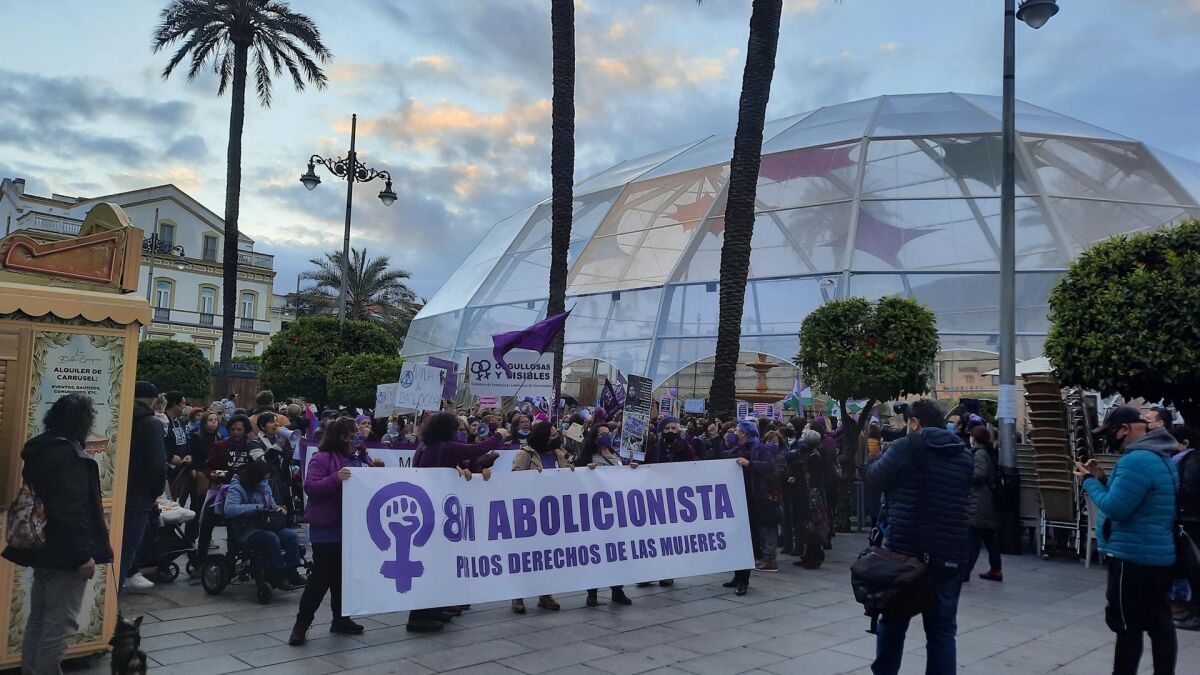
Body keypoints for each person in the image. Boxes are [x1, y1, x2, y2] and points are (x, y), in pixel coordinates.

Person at [3, 395, 112, 675]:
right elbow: (71, 511)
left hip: (40, 546)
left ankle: (31, 670)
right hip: (65, 554)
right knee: (59, 625)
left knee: (38, 618)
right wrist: (82, 556)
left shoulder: (40, 449)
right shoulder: (70, 457)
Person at [865, 398, 972, 675]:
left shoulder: (904, 447)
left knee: (893, 623)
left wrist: (877, 457)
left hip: (905, 553)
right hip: (949, 555)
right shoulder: (963, 454)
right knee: (942, 631)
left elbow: (873, 479)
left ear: (914, 423)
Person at [1076, 405, 1178, 675]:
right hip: (1159, 556)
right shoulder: (1161, 457)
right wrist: (1102, 479)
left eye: (1109, 433)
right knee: (1160, 622)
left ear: (1125, 429)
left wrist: (1088, 481)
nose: (1108, 439)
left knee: (1126, 626)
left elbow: (1117, 508)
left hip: (1132, 559)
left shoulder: (1136, 460)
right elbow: (1137, 500)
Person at [406, 412, 511, 632]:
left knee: (437, 563)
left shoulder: (424, 447)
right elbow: (476, 449)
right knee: (434, 566)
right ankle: (419, 616)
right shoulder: (446, 447)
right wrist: (499, 435)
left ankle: (434, 609)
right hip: (437, 512)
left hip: (428, 509)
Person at [290, 417, 385, 645]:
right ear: (341, 436)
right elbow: (311, 487)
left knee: (344, 577)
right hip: (327, 528)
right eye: (353, 433)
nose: (358, 436)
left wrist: (376, 471)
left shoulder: (361, 458)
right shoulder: (322, 458)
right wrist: (336, 478)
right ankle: (302, 624)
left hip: (352, 528)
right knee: (320, 578)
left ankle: (341, 619)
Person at [222, 459, 306, 591]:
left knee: (291, 536)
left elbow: (272, 505)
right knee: (270, 538)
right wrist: (256, 507)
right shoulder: (238, 487)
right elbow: (229, 509)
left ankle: (292, 571)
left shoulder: (265, 487)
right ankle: (279, 573)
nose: (266, 481)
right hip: (247, 529)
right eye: (264, 478)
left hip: (266, 525)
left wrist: (278, 509)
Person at [510, 421, 565, 613]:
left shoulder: (559, 454)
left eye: (556, 434)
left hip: (552, 514)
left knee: (547, 556)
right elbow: (513, 480)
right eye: (552, 435)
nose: (556, 438)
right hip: (530, 514)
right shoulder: (526, 454)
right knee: (526, 556)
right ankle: (518, 596)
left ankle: (546, 595)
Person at [575, 425, 633, 607]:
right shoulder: (588, 458)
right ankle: (592, 593)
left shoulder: (616, 456)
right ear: (594, 438)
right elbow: (574, 477)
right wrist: (585, 470)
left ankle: (617, 589)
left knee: (617, 554)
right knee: (596, 554)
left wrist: (633, 469)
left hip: (616, 511)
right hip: (595, 512)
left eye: (608, 433)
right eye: (602, 434)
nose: (607, 436)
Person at [122, 381, 167, 593]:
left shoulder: (120, 418)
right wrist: (156, 492)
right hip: (138, 496)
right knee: (127, 551)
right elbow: (157, 464)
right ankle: (115, 598)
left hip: (116, 491)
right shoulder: (151, 424)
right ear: (153, 400)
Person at [723, 420, 774, 596]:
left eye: (737, 430)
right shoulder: (736, 449)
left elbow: (769, 466)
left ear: (744, 433)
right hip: (735, 499)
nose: (735, 432)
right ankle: (737, 575)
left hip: (752, 500)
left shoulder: (760, 448)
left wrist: (750, 464)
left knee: (747, 539)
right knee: (736, 538)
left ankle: (743, 580)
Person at [1170, 425, 1200, 630]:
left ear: (1185, 443)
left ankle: (1195, 613)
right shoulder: (1187, 460)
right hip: (1190, 519)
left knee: (1193, 566)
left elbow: (1187, 490)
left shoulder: (1191, 461)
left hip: (1191, 520)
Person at [965, 425, 1003, 583]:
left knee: (973, 539)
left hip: (979, 500)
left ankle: (965, 571)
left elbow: (979, 474)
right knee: (989, 538)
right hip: (986, 500)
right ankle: (996, 569)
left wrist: (965, 475)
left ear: (974, 438)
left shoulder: (979, 453)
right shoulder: (987, 452)